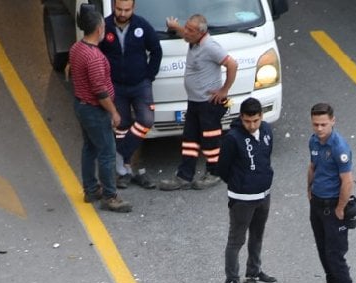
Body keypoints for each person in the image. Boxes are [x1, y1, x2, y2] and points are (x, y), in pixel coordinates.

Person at [158, 14, 237, 191]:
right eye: (186, 27)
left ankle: (215, 173)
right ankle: (185, 176)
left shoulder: (210, 47)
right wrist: (174, 26)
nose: (185, 32)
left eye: (190, 30)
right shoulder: (194, 39)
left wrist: (224, 91)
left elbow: (232, 65)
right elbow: (184, 33)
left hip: (208, 104)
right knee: (190, 139)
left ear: (202, 32)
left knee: (210, 140)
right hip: (194, 102)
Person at [214, 98, 278, 283]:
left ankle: (253, 272)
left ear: (261, 117)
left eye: (256, 120)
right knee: (236, 241)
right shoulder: (232, 138)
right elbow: (222, 168)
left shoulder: (266, 130)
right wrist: (238, 183)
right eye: (248, 121)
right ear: (241, 117)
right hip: (242, 199)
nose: (252, 125)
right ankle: (232, 282)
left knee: (257, 235)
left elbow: (266, 157)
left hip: (263, 195)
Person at [69, 4, 130, 212]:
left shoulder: (77, 48)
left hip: (81, 105)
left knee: (89, 147)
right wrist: (113, 112)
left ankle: (91, 189)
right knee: (107, 152)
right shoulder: (94, 57)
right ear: (98, 29)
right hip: (95, 110)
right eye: (103, 26)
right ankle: (110, 196)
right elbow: (100, 91)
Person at [99, 0, 162, 190]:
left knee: (146, 120)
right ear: (113, 7)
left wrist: (149, 76)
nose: (123, 13)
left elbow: (156, 51)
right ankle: (125, 171)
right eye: (119, 9)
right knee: (121, 125)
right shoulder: (104, 26)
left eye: (127, 10)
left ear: (133, 8)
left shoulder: (142, 25)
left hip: (140, 84)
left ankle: (122, 156)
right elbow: (97, 54)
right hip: (116, 86)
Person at [305, 103, 356, 283]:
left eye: (323, 124)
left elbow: (347, 181)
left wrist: (340, 209)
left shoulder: (339, 147)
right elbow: (312, 166)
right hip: (317, 203)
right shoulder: (314, 141)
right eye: (315, 124)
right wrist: (309, 189)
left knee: (335, 254)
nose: (319, 128)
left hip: (333, 206)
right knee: (323, 251)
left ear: (333, 121)